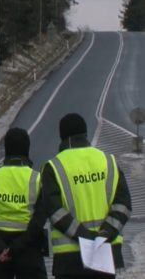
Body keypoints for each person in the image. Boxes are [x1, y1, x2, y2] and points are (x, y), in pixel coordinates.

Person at [42, 113, 132, 279]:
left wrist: (86, 237)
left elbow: (54, 211)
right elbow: (124, 204)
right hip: (106, 253)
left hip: (70, 259)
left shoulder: (53, 167)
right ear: (85, 134)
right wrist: (105, 234)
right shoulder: (109, 161)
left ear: (63, 137)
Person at [0, 128, 48, 279]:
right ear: (27, 150)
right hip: (29, 251)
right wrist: (16, 248)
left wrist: (0, 248)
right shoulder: (36, 179)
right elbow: (40, 219)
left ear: (6, 150)